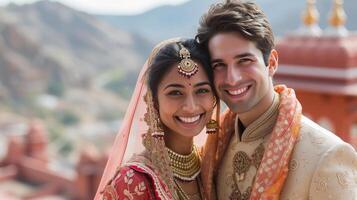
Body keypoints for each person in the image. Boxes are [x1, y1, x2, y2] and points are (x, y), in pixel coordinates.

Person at [195, 0, 357, 199]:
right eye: (219, 65)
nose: (232, 78)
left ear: (271, 63)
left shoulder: (326, 155)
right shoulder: (216, 148)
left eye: (244, 61)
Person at [94, 38, 220, 200]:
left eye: (202, 90)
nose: (191, 106)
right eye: (175, 93)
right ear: (154, 101)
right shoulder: (133, 182)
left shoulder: (212, 167)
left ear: (215, 97)